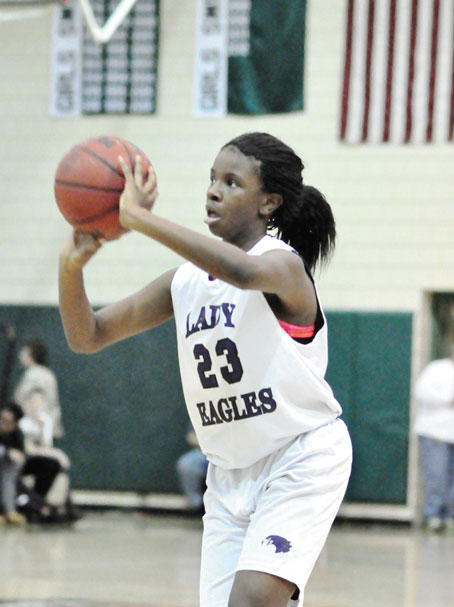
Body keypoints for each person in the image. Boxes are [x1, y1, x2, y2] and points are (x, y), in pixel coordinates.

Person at [58, 132, 352, 607]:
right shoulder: (185, 282)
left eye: (232, 182)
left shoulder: (282, 266)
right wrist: (70, 268)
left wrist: (141, 219)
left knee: (253, 600)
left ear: (268, 202)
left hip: (300, 457)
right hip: (229, 474)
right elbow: (87, 336)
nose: (214, 190)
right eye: (212, 179)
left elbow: (242, 273)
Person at [414, 346, 454, 533]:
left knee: (451, 480)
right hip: (435, 433)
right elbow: (421, 392)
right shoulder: (437, 369)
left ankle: (449, 517)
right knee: (436, 475)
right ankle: (433, 516)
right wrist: (448, 399)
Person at [14, 338, 64, 439]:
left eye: (23, 351)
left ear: (30, 353)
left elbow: (19, 400)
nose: (20, 355)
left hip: (34, 428)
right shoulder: (48, 374)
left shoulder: (34, 374)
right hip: (46, 429)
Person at [0, 402, 27, 526]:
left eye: (5, 421)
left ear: (14, 425)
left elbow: (20, 456)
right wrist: (7, 453)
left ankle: (9, 511)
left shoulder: (17, 434)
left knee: (11, 468)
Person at [176, 423, 208, 513]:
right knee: (187, 464)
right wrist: (211, 444)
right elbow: (191, 436)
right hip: (206, 451)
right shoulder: (200, 409)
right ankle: (198, 505)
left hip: (235, 452)